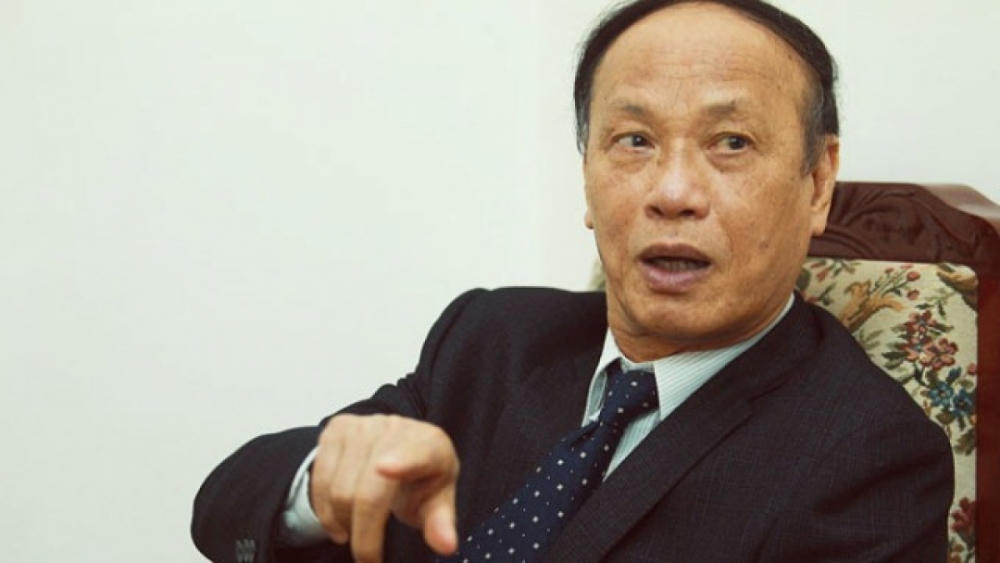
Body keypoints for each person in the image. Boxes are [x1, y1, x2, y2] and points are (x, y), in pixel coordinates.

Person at [192, 1, 954, 561]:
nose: (673, 192)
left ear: (818, 182)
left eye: (730, 142)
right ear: (587, 173)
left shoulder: (869, 456)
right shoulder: (492, 337)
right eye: (634, 139)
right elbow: (223, 507)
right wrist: (321, 480)